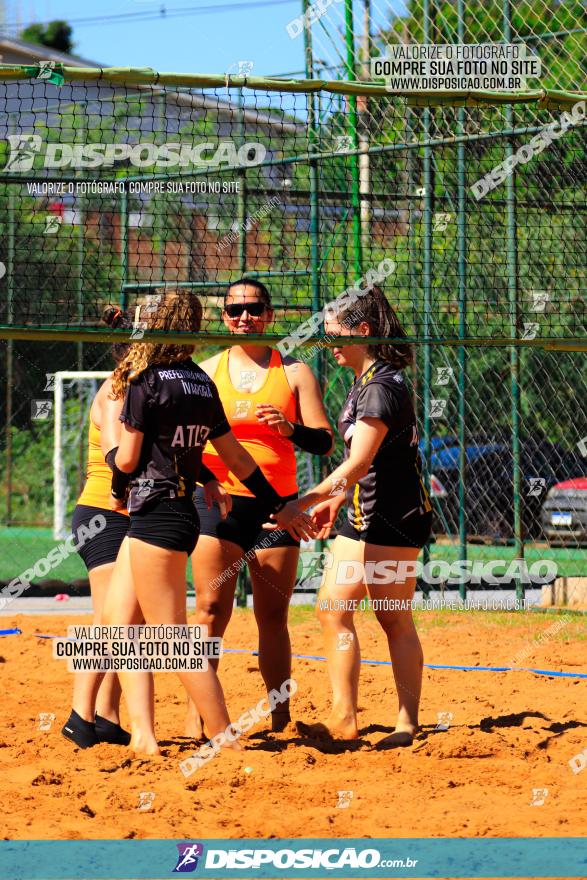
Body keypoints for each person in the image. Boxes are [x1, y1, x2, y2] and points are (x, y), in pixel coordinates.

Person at [102, 289, 294, 754]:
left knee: (172, 638)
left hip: (157, 515)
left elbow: (128, 461)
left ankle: (224, 734)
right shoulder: (201, 382)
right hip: (181, 512)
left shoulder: (146, 382)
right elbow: (236, 458)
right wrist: (276, 502)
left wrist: (113, 460)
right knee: (121, 625)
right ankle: (142, 734)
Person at [267, 286, 432, 747]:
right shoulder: (366, 381)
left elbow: (359, 462)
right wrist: (335, 501)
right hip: (363, 513)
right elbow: (366, 465)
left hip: (395, 516)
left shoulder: (381, 386)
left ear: (363, 331)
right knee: (332, 608)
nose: (329, 346)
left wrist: (304, 501)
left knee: (393, 616)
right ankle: (344, 717)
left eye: (334, 337)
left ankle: (406, 723)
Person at [189, 277, 333, 735]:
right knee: (210, 612)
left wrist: (290, 430)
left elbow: (326, 442)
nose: (244, 318)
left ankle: (281, 719)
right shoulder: (206, 371)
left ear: (270, 316)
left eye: (254, 310)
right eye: (235, 310)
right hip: (220, 503)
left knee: (273, 618)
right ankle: (201, 721)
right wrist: (207, 482)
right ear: (224, 317)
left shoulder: (294, 373)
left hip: (279, 510)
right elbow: (186, 445)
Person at [62, 306, 138, 749]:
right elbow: (116, 458)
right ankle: (79, 715)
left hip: (133, 515)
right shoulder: (116, 389)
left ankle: (107, 716)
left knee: (126, 623)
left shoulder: (149, 389)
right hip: (103, 514)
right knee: (109, 621)